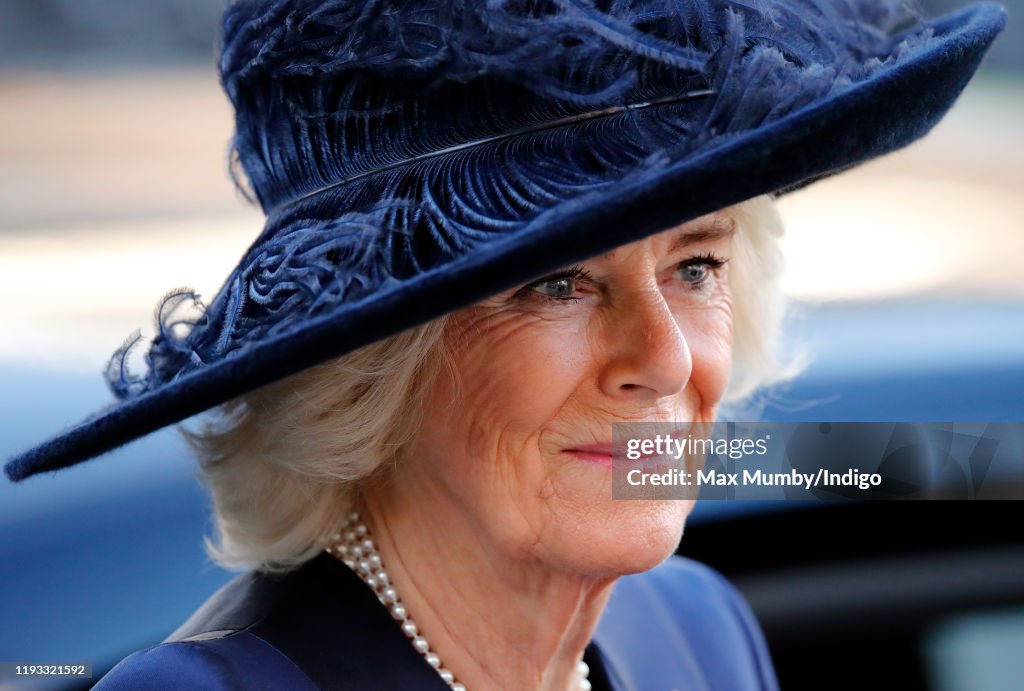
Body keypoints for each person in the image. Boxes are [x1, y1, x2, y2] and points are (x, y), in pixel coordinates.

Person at [4, 0, 1005, 689]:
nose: (660, 358)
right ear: (376, 363)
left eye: (693, 267)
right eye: (559, 283)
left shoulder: (697, 633)